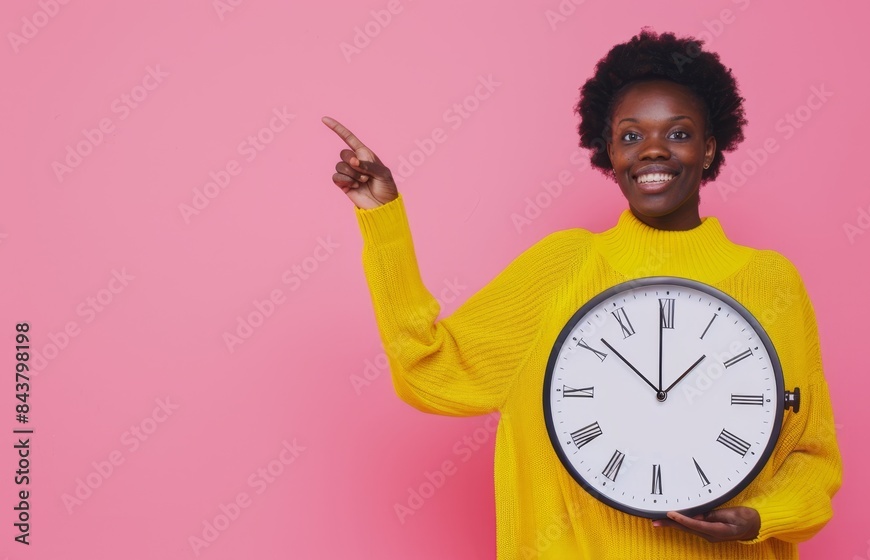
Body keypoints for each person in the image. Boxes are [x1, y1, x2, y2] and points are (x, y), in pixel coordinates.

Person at [324, 28, 842, 559]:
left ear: (709, 149)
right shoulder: (564, 265)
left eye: (679, 134)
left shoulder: (770, 281)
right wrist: (381, 220)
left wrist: (761, 518)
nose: (654, 151)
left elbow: (810, 455)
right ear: (609, 152)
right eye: (632, 136)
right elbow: (429, 368)